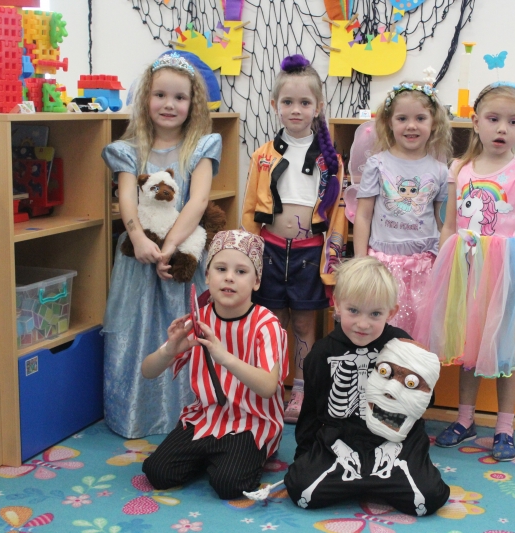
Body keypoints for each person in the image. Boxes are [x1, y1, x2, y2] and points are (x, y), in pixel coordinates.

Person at [415, 83, 515, 461]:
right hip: (466, 271)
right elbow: (449, 225)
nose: (502, 128)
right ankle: (465, 419)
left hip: (507, 274)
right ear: (475, 122)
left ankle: (505, 427)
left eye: (513, 121)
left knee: (506, 350)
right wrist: (445, 270)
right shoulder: (460, 168)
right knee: (468, 346)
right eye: (493, 119)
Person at [101, 51, 222, 439]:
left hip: (182, 252)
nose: (169, 104)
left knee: (185, 327)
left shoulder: (200, 147)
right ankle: (137, 415)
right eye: (160, 95)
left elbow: (198, 201)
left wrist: (170, 245)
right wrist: (137, 237)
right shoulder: (130, 149)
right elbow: (126, 198)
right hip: (139, 256)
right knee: (137, 330)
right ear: (146, 98)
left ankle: (188, 414)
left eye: (179, 97)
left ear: (192, 103)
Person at [284, 256, 450, 516]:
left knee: (429, 498)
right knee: (300, 490)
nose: (363, 324)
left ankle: (360, 482)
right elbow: (312, 412)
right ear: (337, 304)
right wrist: (305, 457)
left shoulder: (401, 344)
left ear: (391, 313)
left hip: (392, 438)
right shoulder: (322, 353)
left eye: (375, 314)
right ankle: (375, 483)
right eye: (353, 310)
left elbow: (423, 402)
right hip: (341, 439)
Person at [141, 230, 288, 499]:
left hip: (252, 421)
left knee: (228, 484)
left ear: (256, 281)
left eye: (241, 271)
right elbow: (147, 371)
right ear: (207, 276)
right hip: (205, 417)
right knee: (157, 472)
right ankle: (215, 455)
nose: (229, 277)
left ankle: (238, 455)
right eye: (221, 269)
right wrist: (170, 350)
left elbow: (268, 387)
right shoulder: (198, 320)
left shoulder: (266, 325)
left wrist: (225, 357)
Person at [241, 54, 345, 424]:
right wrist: (249, 255)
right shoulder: (263, 155)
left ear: (318, 106)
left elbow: (338, 217)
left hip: (309, 254)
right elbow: (250, 206)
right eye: (287, 102)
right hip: (269, 250)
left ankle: (300, 390)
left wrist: (332, 262)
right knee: (272, 322)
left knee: (303, 325)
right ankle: (270, 387)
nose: (296, 109)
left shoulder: (330, 159)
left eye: (304, 102)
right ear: (274, 105)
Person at [352, 80, 452, 334]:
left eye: (420, 118)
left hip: (424, 267)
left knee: (419, 334)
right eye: (402, 118)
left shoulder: (441, 171)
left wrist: (444, 264)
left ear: (434, 123)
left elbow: (442, 221)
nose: (411, 125)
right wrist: (361, 262)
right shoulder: (377, 164)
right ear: (389, 122)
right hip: (382, 266)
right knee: (381, 330)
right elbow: (363, 216)